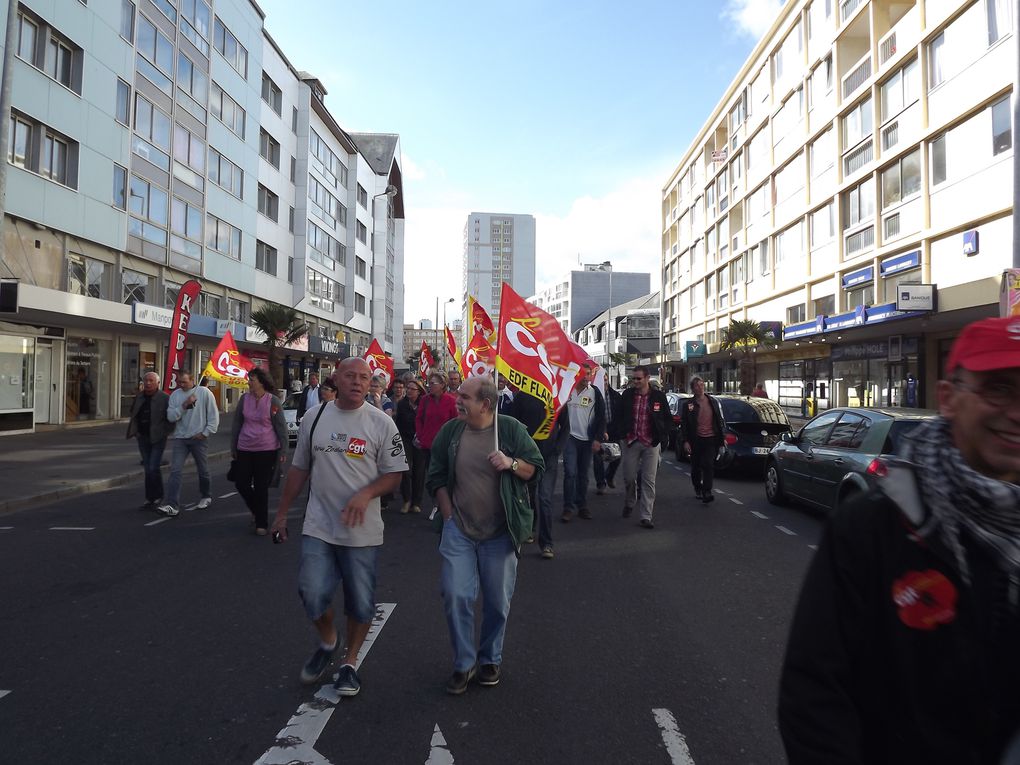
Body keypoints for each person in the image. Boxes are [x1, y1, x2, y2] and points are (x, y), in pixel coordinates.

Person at [779, 316, 1020, 764]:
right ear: (948, 399)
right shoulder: (873, 526)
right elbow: (815, 693)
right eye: (998, 390)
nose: (1017, 412)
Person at [271, 358, 406, 697]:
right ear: (336, 379)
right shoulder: (315, 418)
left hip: (362, 531)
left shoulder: (381, 423)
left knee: (360, 604)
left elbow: (394, 474)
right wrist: (282, 513)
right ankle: (329, 640)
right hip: (319, 525)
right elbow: (300, 468)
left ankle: (350, 663)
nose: (358, 382)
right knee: (312, 593)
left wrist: (366, 494)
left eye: (364, 377)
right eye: (351, 376)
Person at [426, 376, 544, 694]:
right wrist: (447, 513)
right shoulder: (451, 432)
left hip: (501, 532)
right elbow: (435, 473)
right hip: (460, 529)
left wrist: (511, 462)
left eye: (464, 396)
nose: (456, 400)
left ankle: (490, 658)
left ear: (485, 404)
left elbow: (535, 468)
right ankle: (464, 663)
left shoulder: (510, 430)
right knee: (455, 594)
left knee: (497, 602)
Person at [231, 367, 288, 535]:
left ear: (261, 382)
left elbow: (281, 428)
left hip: (266, 449)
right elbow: (236, 424)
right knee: (241, 483)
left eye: (252, 380)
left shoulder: (273, 401)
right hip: (245, 448)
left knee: (261, 486)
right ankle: (257, 510)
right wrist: (233, 446)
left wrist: (283, 451)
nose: (249, 382)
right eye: (249, 379)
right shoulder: (244, 400)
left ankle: (261, 523)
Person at [510, 388, 566, 559]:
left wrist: (557, 450)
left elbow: (566, 426)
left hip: (548, 457)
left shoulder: (558, 396)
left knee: (545, 498)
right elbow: (514, 423)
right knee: (529, 496)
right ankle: (529, 528)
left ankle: (547, 543)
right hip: (528, 456)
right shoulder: (523, 397)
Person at [159, 371, 219, 517]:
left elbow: (213, 415)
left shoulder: (204, 393)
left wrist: (205, 433)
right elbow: (171, 417)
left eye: (184, 382)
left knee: (202, 469)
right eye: (179, 382)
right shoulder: (175, 395)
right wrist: (184, 405)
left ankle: (206, 495)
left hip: (199, 438)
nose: (181, 384)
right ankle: (172, 504)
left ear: (192, 380)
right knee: (175, 471)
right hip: (180, 438)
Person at [619, 366, 672, 527]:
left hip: (651, 443)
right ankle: (630, 501)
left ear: (647, 378)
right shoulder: (628, 395)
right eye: (633, 379)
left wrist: (661, 435)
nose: (635, 381)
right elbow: (618, 415)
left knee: (649, 481)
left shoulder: (658, 397)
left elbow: (667, 418)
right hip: (631, 441)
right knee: (629, 477)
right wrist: (619, 433)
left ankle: (646, 516)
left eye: (638, 379)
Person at [560, 363, 605, 522]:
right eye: (584, 374)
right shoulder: (567, 391)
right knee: (570, 472)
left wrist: (598, 439)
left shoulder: (595, 393)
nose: (587, 378)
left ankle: (582, 505)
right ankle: (568, 507)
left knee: (583, 474)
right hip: (570, 438)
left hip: (587, 439)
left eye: (589, 374)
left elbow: (601, 418)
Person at [126, 371, 173, 511]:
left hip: (158, 438)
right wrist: (136, 432)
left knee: (153, 467)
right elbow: (133, 412)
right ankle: (150, 497)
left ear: (158, 383)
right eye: (146, 380)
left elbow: (171, 418)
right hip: (143, 437)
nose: (148, 383)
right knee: (148, 468)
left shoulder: (164, 398)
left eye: (151, 380)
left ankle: (159, 495)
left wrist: (165, 432)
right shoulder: (140, 396)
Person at [414, 370, 459, 503]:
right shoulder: (424, 400)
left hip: (445, 446)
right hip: (428, 445)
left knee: (445, 474)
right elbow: (419, 419)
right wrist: (421, 436)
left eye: (432, 383)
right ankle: (436, 503)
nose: (429, 386)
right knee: (432, 475)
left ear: (442, 385)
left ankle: (446, 502)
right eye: (429, 383)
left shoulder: (451, 401)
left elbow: (456, 422)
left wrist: (452, 440)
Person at [680, 375, 725, 504]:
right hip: (696, 439)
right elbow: (685, 425)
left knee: (708, 465)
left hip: (711, 439)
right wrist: (686, 441)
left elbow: (719, 421)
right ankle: (697, 487)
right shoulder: (689, 405)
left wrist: (722, 440)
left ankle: (707, 491)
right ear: (692, 388)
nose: (700, 388)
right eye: (697, 386)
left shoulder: (712, 401)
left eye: (702, 385)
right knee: (696, 467)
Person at [395, 378, 426, 513]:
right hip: (405, 439)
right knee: (406, 470)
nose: (408, 391)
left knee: (419, 471)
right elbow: (399, 422)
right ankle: (406, 500)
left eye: (412, 389)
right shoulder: (402, 404)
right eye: (408, 388)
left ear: (419, 391)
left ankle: (416, 502)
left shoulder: (424, 403)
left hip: (420, 439)